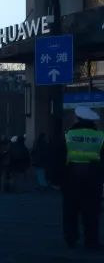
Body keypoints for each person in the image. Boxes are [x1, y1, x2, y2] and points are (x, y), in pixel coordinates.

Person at [62, 106, 104, 250]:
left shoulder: (68, 135)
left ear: (78, 119)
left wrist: (59, 179)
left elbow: (60, 157)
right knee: (91, 212)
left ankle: (71, 238)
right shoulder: (100, 137)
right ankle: (91, 241)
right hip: (92, 180)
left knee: (70, 211)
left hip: (71, 179)